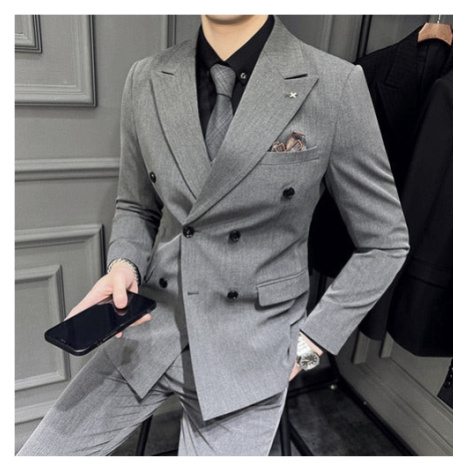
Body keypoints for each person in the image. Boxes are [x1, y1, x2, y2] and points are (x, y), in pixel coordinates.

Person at [18, 15, 409, 456]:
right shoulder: (146, 78)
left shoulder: (335, 84)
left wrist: (310, 344)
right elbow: (136, 205)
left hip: (254, 348)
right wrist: (123, 266)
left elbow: (386, 241)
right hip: (151, 326)